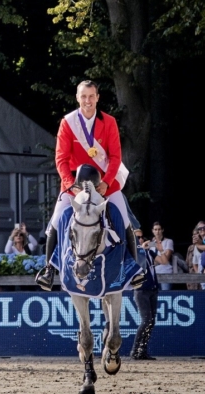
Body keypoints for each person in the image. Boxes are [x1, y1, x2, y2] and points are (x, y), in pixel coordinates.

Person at [36, 80, 142, 290]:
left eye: (91, 96)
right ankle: (48, 270)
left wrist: (106, 182)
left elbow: (115, 157)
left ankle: (133, 268)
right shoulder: (68, 123)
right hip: (75, 184)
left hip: (104, 183)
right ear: (78, 98)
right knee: (56, 220)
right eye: (83, 96)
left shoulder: (109, 122)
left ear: (97, 98)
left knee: (124, 219)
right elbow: (61, 159)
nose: (87, 101)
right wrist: (70, 184)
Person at [131, 228, 159, 360]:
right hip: (141, 290)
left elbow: (162, 258)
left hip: (152, 288)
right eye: (138, 238)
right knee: (146, 320)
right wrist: (142, 248)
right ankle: (135, 350)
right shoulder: (133, 252)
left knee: (151, 321)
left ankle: (143, 350)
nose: (141, 239)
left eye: (142, 237)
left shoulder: (148, 251)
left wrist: (154, 243)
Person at [144, 221, 174, 291]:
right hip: (154, 274)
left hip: (165, 273)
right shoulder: (151, 243)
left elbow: (166, 260)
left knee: (165, 294)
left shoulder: (168, 241)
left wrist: (158, 258)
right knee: (155, 295)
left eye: (159, 229)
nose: (157, 232)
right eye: (155, 229)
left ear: (162, 230)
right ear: (152, 231)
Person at [184, 222, 205, 291]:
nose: (202, 230)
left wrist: (198, 245)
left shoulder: (198, 244)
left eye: (204, 228)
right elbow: (194, 263)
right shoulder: (194, 247)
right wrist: (199, 276)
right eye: (200, 229)